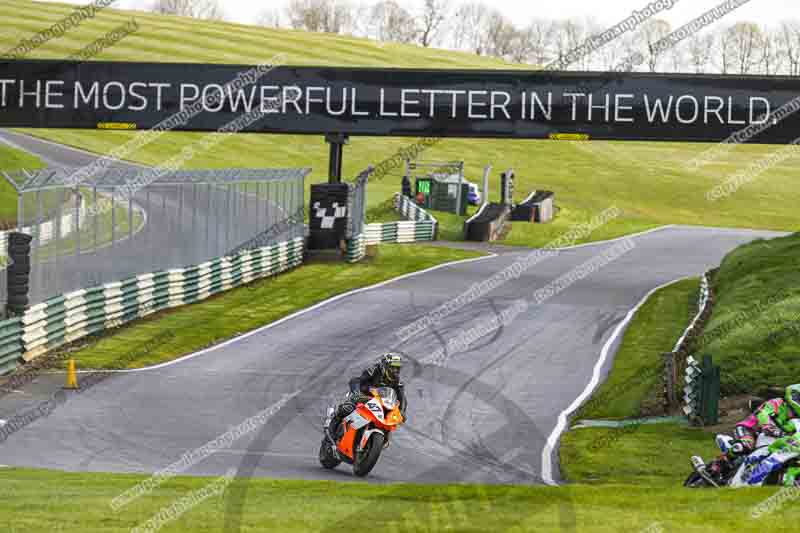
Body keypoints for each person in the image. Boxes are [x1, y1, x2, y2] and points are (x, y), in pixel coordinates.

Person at [326, 353, 407, 440]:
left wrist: (402, 412)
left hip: (380, 403)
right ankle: (331, 427)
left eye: (397, 368)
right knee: (348, 407)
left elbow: (402, 398)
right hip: (363, 397)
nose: (395, 371)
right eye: (393, 367)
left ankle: (378, 439)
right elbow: (356, 380)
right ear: (385, 365)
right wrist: (357, 393)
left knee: (389, 421)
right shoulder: (374, 370)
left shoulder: (397, 381)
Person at [733, 384, 800, 453]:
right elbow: (763, 415)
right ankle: (724, 459)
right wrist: (773, 429)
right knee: (744, 446)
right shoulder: (777, 402)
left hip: (765, 436)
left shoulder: (795, 419)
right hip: (747, 429)